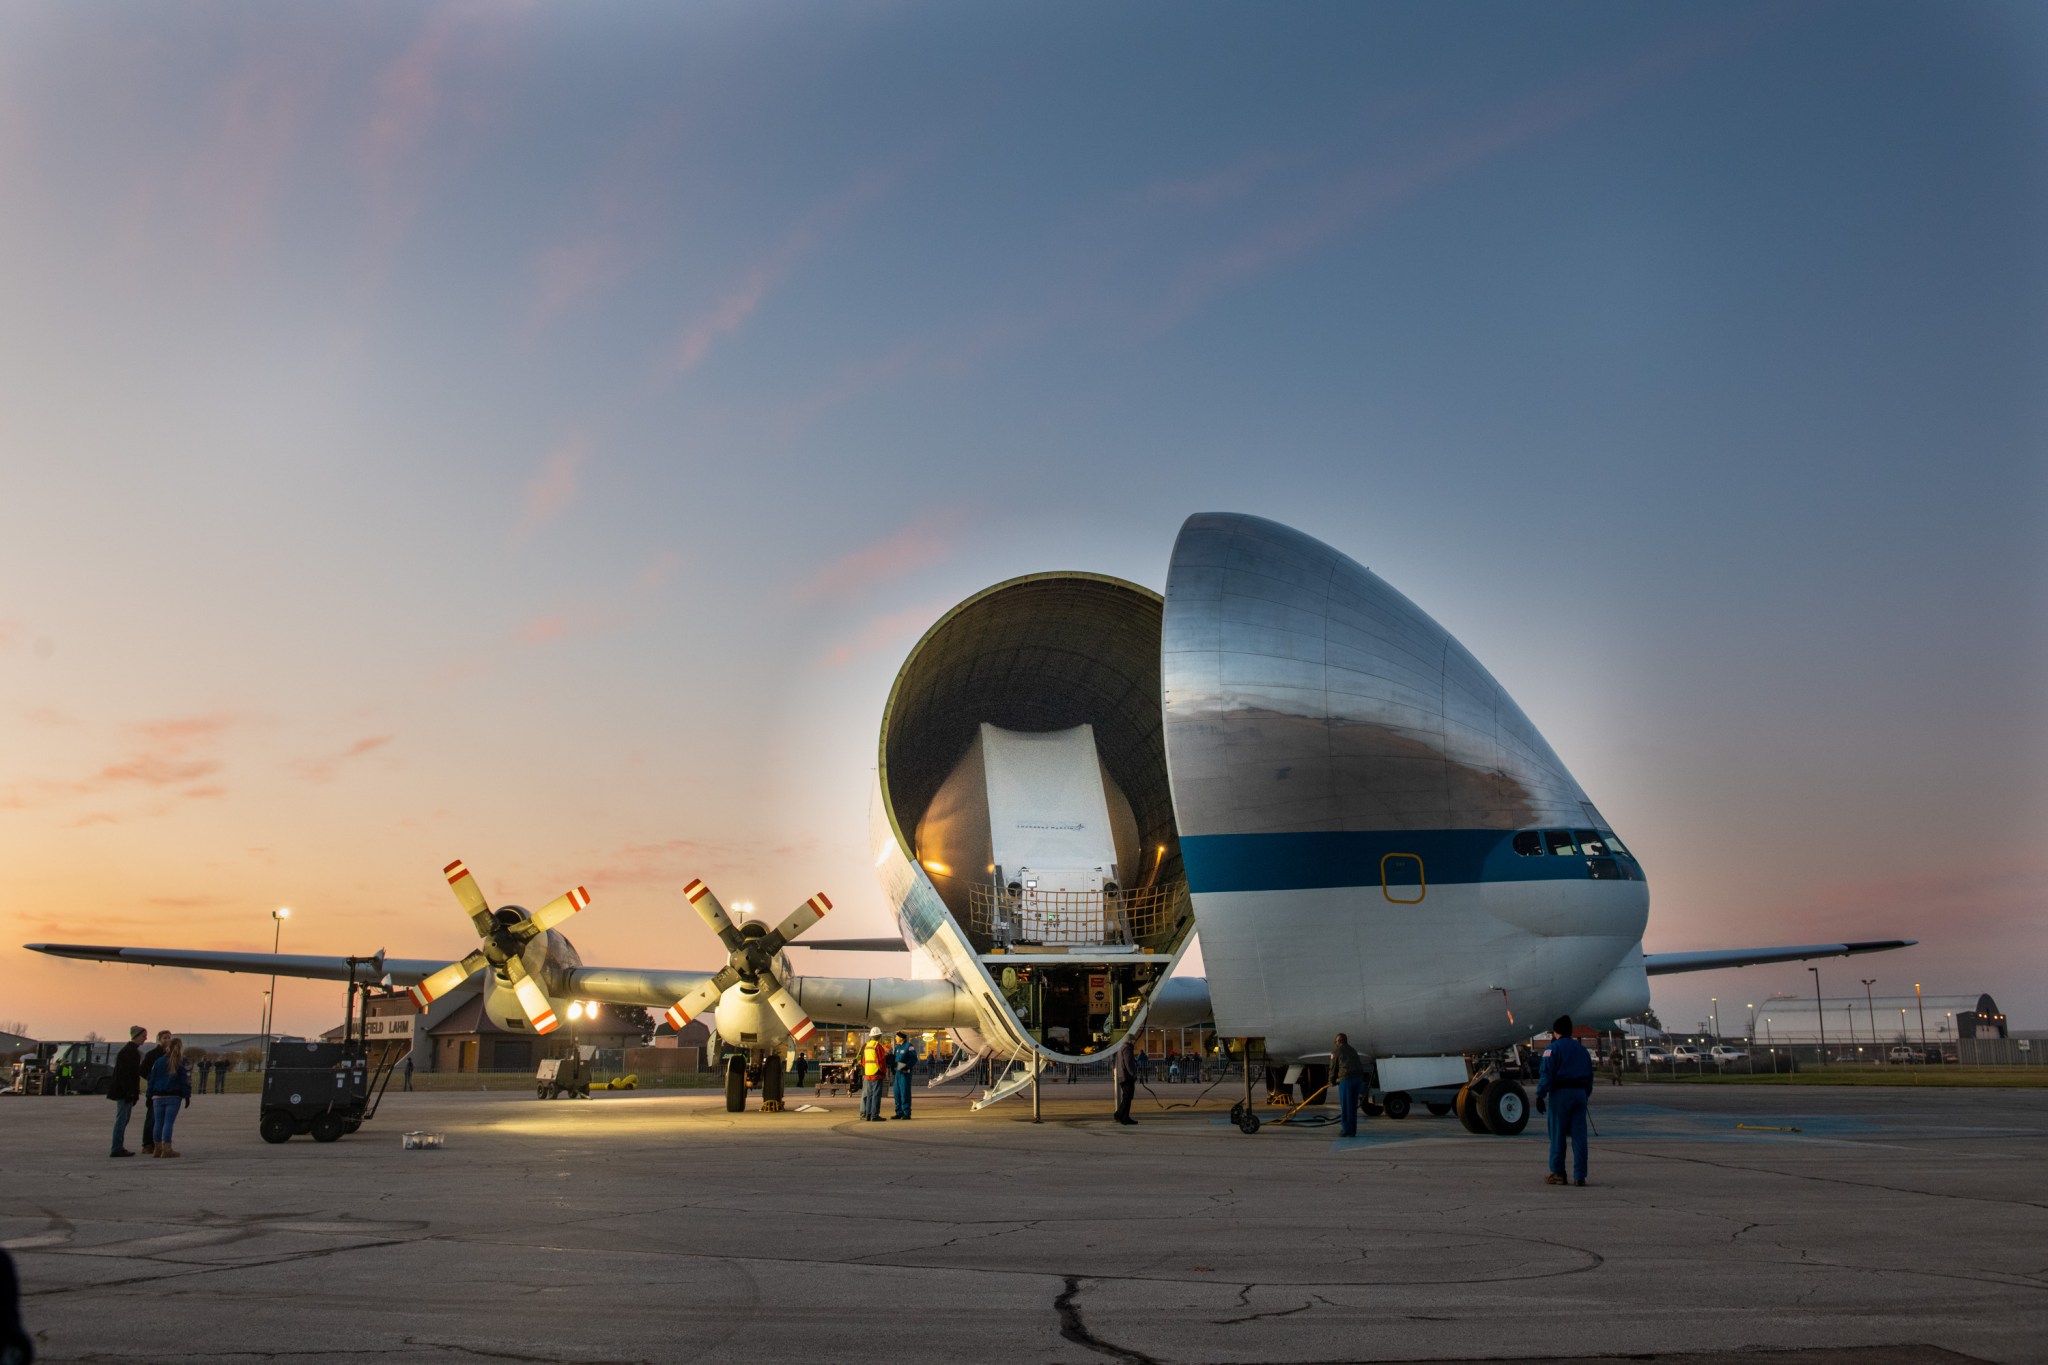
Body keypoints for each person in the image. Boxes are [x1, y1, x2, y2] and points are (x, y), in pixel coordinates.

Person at [1536, 1014, 1595, 1186]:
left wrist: (1541, 1094)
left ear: (1556, 1032)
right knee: (1579, 1136)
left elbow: (1546, 1073)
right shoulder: (1582, 1050)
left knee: (1557, 1135)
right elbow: (1590, 1076)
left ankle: (1558, 1173)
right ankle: (1580, 1176)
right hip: (1580, 1094)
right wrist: (1584, 1095)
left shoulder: (1552, 1049)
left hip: (1560, 1094)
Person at [147, 1037, 192, 1158]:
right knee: (168, 1122)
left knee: (158, 1122)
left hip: (158, 1095)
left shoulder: (159, 1061)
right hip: (173, 1095)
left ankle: (157, 1148)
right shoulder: (183, 1061)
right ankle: (167, 1147)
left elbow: (152, 1079)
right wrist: (187, 1095)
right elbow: (186, 1080)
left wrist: (149, 1094)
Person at [108, 1025, 146, 1158]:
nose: (145, 1039)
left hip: (126, 1091)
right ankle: (116, 1147)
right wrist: (130, 1092)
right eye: (143, 1036)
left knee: (124, 1119)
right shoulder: (129, 1052)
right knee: (122, 1119)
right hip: (124, 1092)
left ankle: (118, 1146)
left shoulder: (131, 1051)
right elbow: (125, 1074)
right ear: (136, 1036)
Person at [139, 1031, 169, 1154]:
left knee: (163, 1119)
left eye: (169, 1038)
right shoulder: (152, 1055)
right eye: (165, 1038)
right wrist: (152, 1079)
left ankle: (158, 1142)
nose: (167, 1040)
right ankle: (147, 1143)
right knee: (152, 1118)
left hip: (168, 1091)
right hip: (155, 1091)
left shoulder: (171, 1054)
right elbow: (142, 1070)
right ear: (159, 1039)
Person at [1332, 1032, 1367, 1137]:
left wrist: (1332, 1081)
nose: (1335, 1044)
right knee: (1352, 1106)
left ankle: (1345, 1130)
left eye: (1336, 1042)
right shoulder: (1353, 1050)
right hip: (1357, 1079)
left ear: (1339, 1041)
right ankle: (1352, 1130)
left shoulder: (1336, 1051)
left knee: (1346, 1106)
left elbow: (1333, 1068)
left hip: (1347, 1080)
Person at [859, 1028, 887, 1121]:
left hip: (868, 1073)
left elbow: (862, 1061)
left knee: (869, 1095)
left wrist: (867, 1069)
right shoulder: (878, 1046)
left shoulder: (866, 1046)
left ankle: (868, 1115)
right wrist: (883, 1071)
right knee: (876, 1095)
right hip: (876, 1073)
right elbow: (881, 1061)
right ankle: (875, 1115)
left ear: (871, 1036)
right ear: (879, 1036)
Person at [890, 1033, 918, 1119]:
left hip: (905, 1073)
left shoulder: (909, 1046)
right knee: (897, 1093)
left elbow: (914, 1059)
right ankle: (899, 1112)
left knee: (904, 1093)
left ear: (901, 1038)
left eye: (897, 1037)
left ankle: (906, 1113)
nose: (895, 1039)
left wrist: (906, 1067)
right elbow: (895, 1059)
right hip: (897, 1074)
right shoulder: (897, 1047)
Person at [1111, 1045, 1137, 1125]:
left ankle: (1125, 1117)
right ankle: (1119, 1114)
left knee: (1127, 1097)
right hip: (1127, 1077)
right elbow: (1128, 1062)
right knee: (1128, 1097)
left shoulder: (1121, 1048)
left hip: (1122, 1076)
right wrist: (1133, 1073)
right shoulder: (1127, 1048)